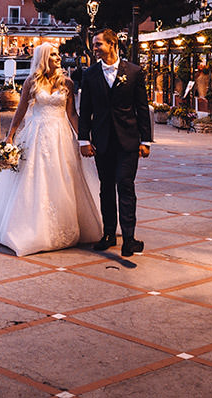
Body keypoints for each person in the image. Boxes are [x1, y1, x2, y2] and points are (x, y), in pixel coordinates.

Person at [0, 43, 103, 256]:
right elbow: (21, 110)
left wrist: (83, 139)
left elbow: (72, 115)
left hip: (61, 135)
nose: (58, 57)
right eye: (53, 55)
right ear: (43, 58)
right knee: (34, 178)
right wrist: (10, 135)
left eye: (58, 54)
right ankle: (30, 228)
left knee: (63, 178)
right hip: (37, 133)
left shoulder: (66, 82)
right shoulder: (32, 82)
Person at [78, 29, 153, 257]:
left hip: (128, 140)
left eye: (98, 44)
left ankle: (129, 239)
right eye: (94, 44)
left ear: (112, 44)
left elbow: (142, 108)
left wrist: (146, 140)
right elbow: (85, 111)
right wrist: (84, 140)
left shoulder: (134, 71)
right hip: (102, 141)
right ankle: (109, 234)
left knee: (125, 185)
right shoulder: (90, 74)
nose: (95, 48)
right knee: (106, 188)